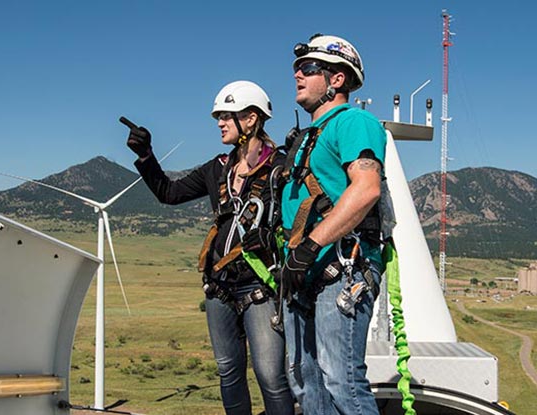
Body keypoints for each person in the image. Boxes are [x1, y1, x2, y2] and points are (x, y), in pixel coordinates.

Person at [124, 80, 294, 415]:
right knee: (228, 372)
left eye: (226, 116)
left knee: (270, 376)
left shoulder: (281, 167)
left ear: (251, 119)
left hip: (260, 285)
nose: (219, 123)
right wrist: (146, 156)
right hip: (218, 286)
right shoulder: (217, 167)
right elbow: (169, 194)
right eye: (218, 116)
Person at [279, 34, 387, 414]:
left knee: (342, 381)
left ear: (337, 79)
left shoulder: (354, 121)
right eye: (297, 67)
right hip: (302, 273)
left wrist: (309, 248)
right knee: (307, 384)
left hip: (341, 269)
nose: (297, 74)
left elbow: (366, 189)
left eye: (308, 68)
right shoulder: (305, 137)